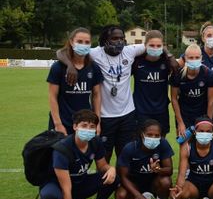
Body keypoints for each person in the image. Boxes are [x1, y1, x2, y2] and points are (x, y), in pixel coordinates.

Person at [57, 25, 177, 162]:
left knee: (125, 154)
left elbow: (156, 44)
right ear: (105, 40)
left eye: (122, 38)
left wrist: (169, 55)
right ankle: (105, 181)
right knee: (104, 153)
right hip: (105, 114)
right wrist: (69, 65)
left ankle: (122, 182)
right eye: (114, 38)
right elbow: (62, 52)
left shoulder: (130, 51)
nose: (119, 41)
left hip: (127, 113)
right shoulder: (96, 53)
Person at [38, 110, 117, 199]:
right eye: (84, 125)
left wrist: (111, 168)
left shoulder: (95, 142)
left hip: (79, 182)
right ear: (75, 126)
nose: (88, 129)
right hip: (58, 185)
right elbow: (66, 188)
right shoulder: (62, 148)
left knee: (113, 178)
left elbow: (102, 166)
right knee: (50, 196)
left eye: (92, 126)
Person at [115, 119, 174, 199]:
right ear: (142, 134)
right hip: (135, 183)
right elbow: (123, 177)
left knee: (166, 181)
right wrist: (138, 196)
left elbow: (169, 170)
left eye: (157, 135)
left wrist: (158, 170)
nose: (153, 138)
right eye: (149, 135)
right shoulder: (130, 148)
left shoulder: (163, 144)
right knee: (121, 196)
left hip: (154, 183)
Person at [47, 28, 103, 135]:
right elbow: (52, 96)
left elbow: (96, 95)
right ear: (72, 42)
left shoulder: (94, 68)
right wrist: (58, 124)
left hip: (85, 123)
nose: (83, 45)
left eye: (87, 42)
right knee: (61, 151)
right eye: (79, 41)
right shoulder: (58, 67)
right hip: (63, 122)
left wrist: (97, 122)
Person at [170, 44, 213, 136]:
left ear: (201, 58)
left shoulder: (208, 74)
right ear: (185, 58)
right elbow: (174, 99)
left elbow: (211, 100)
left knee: (201, 146)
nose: (194, 60)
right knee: (183, 145)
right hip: (184, 115)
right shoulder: (177, 75)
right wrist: (180, 123)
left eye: (197, 57)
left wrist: (209, 122)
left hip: (202, 115)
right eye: (191, 58)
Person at [132, 30, 171, 136]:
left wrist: (168, 54)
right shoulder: (136, 61)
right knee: (140, 143)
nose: (155, 48)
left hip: (161, 111)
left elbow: (177, 67)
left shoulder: (167, 61)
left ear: (163, 46)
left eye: (158, 45)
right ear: (145, 45)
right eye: (152, 45)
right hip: (140, 111)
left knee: (161, 142)